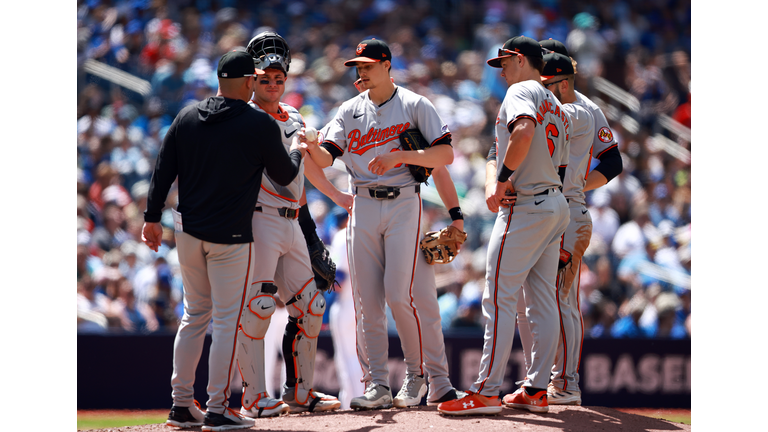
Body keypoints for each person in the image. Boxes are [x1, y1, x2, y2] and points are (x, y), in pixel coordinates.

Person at [141, 49, 305, 431]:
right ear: (250, 81)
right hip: (230, 237)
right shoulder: (257, 123)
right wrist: (297, 150)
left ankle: (181, 405)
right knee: (227, 321)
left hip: (187, 232)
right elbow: (283, 176)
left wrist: (151, 218)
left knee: (194, 316)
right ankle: (218, 408)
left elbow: (163, 170)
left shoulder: (187, 116)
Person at [301, 38, 456, 410]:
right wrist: (309, 143)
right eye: (358, 66)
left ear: (387, 64)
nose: (362, 71)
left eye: (368, 65)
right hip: (363, 204)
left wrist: (399, 156)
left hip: (404, 199)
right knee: (366, 301)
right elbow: (324, 158)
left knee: (398, 295)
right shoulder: (349, 109)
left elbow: (445, 154)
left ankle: (418, 376)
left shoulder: (416, 104)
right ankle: (377, 384)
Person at [438, 35, 570, 416]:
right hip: (553, 202)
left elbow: (523, 132)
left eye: (506, 62)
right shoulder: (556, 105)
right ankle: (536, 389)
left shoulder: (521, 91)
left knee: (498, 298)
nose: (503, 70)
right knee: (543, 301)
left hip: (525, 206)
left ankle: (486, 391)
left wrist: (503, 179)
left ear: (520, 59)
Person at [235, 31, 341, 418]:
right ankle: (252, 397)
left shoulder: (295, 116)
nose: (273, 83)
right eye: (265, 77)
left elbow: (300, 182)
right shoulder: (241, 115)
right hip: (258, 219)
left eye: (279, 77)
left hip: (291, 221)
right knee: (259, 306)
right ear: (251, 77)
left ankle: (300, 392)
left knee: (312, 306)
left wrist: (312, 235)